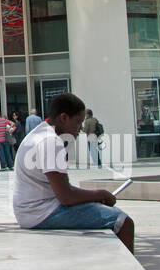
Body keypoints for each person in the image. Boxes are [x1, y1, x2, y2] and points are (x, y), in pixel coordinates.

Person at [12, 92, 134, 252]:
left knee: (102, 211)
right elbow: (66, 197)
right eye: (78, 122)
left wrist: (96, 197)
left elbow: (64, 191)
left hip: (32, 211)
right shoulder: (51, 142)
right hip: (41, 213)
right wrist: (100, 194)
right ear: (63, 118)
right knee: (123, 221)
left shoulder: (40, 133)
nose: (81, 129)